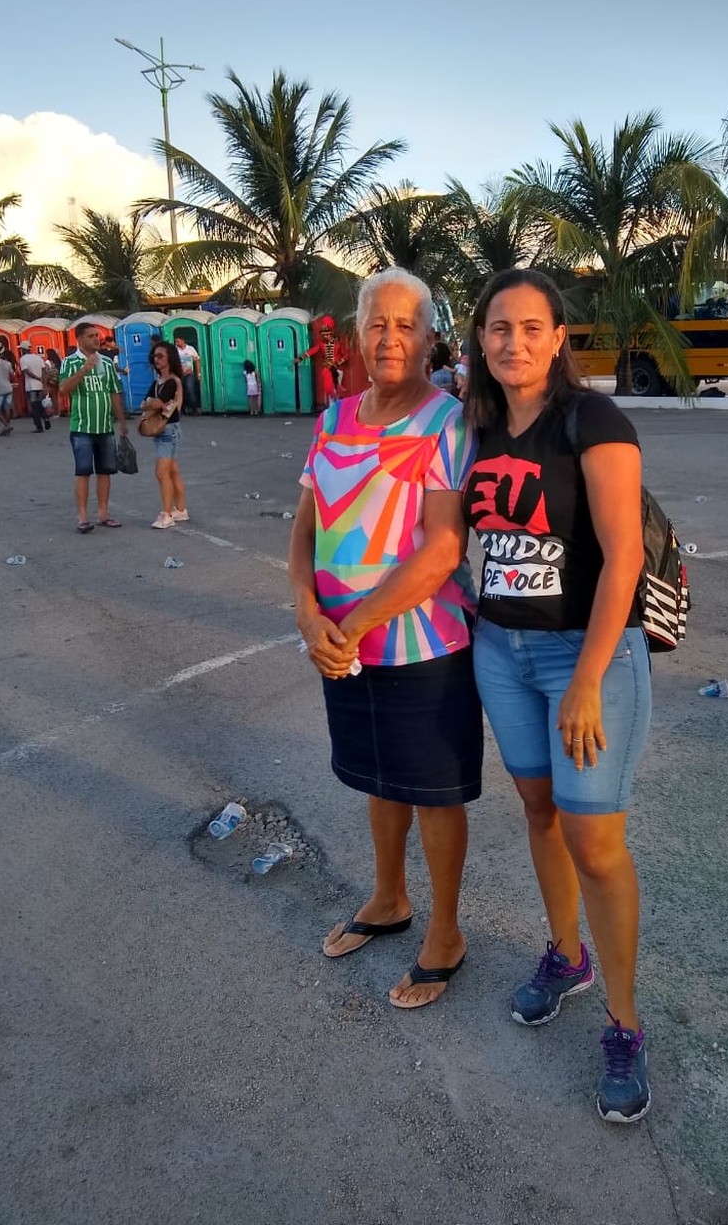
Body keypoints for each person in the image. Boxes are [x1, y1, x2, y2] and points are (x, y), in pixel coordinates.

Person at [462, 269, 652, 1124]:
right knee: (539, 812)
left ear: (559, 337)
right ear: (480, 338)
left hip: (586, 653)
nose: (515, 342)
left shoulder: (593, 420)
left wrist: (585, 681)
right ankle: (565, 957)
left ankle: (625, 1022)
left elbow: (624, 557)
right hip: (500, 649)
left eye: (531, 327)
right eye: (499, 328)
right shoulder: (475, 425)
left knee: (595, 841)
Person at [288, 267, 482, 1009]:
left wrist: (352, 625)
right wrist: (307, 614)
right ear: (356, 335)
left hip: (423, 644)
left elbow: (442, 549)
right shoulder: (332, 420)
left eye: (406, 325)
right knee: (377, 776)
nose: (390, 338)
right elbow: (304, 530)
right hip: (341, 645)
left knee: (433, 792)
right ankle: (389, 896)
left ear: (430, 339)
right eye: (378, 323)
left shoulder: (446, 422)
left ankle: (446, 932)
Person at [58, 322, 129, 533]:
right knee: (83, 471)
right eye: (91, 336)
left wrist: (122, 421)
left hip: (105, 426)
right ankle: (82, 517)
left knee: (105, 471)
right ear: (79, 339)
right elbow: (63, 388)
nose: (97, 339)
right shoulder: (70, 362)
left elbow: (114, 392)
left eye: (97, 335)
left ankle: (103, 514)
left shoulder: (106, 362)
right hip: (82, 427)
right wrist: (84, 370)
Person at [142, 341, 188, 528]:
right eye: (155, 356)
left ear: (170, 358)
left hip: (169, 430)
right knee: (172, 471)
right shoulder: (157, 382)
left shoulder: (172, 381)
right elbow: (145, 403)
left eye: (161, 356)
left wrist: (151, 402)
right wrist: (151, 403)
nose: (156, 359)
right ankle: (181, 509)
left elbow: (155, 403)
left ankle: (167, 514)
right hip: (164, 429)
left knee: (161, 473)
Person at [295, 315, 347, 407]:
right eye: (324, 334)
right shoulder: (322, 344)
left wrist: (338, 363)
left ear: (331, 333)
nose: (326, 336)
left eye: (327, 334)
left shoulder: (338, 343)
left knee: (337, 389)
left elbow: (346, 355)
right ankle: (332, 407)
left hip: (337, 369)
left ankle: (338, 407)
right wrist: (301, 358)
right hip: (327, 369)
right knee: (329, 390)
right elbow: (312, 351)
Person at [18, 340, 52, 433]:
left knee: (34, 406)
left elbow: (26, 371)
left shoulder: (23, 359)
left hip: (31, 386)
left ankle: (39, 426)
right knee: (39, 404)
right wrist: (44, 382)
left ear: (23, 349)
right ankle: (45, 418)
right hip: (40, 385)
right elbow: (44, 370)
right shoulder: (38, 357)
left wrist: (37, 378)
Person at [175, 335, 201, 414]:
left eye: (178, 341)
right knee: (180, 391)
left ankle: (194, 408)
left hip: (189, 373)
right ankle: (182, 409)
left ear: (183, 341)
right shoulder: (176, 349)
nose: (176, 343)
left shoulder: (190, 349)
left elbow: (197, 360)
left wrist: (198, 373)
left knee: (190, 389)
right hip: (179, 374)